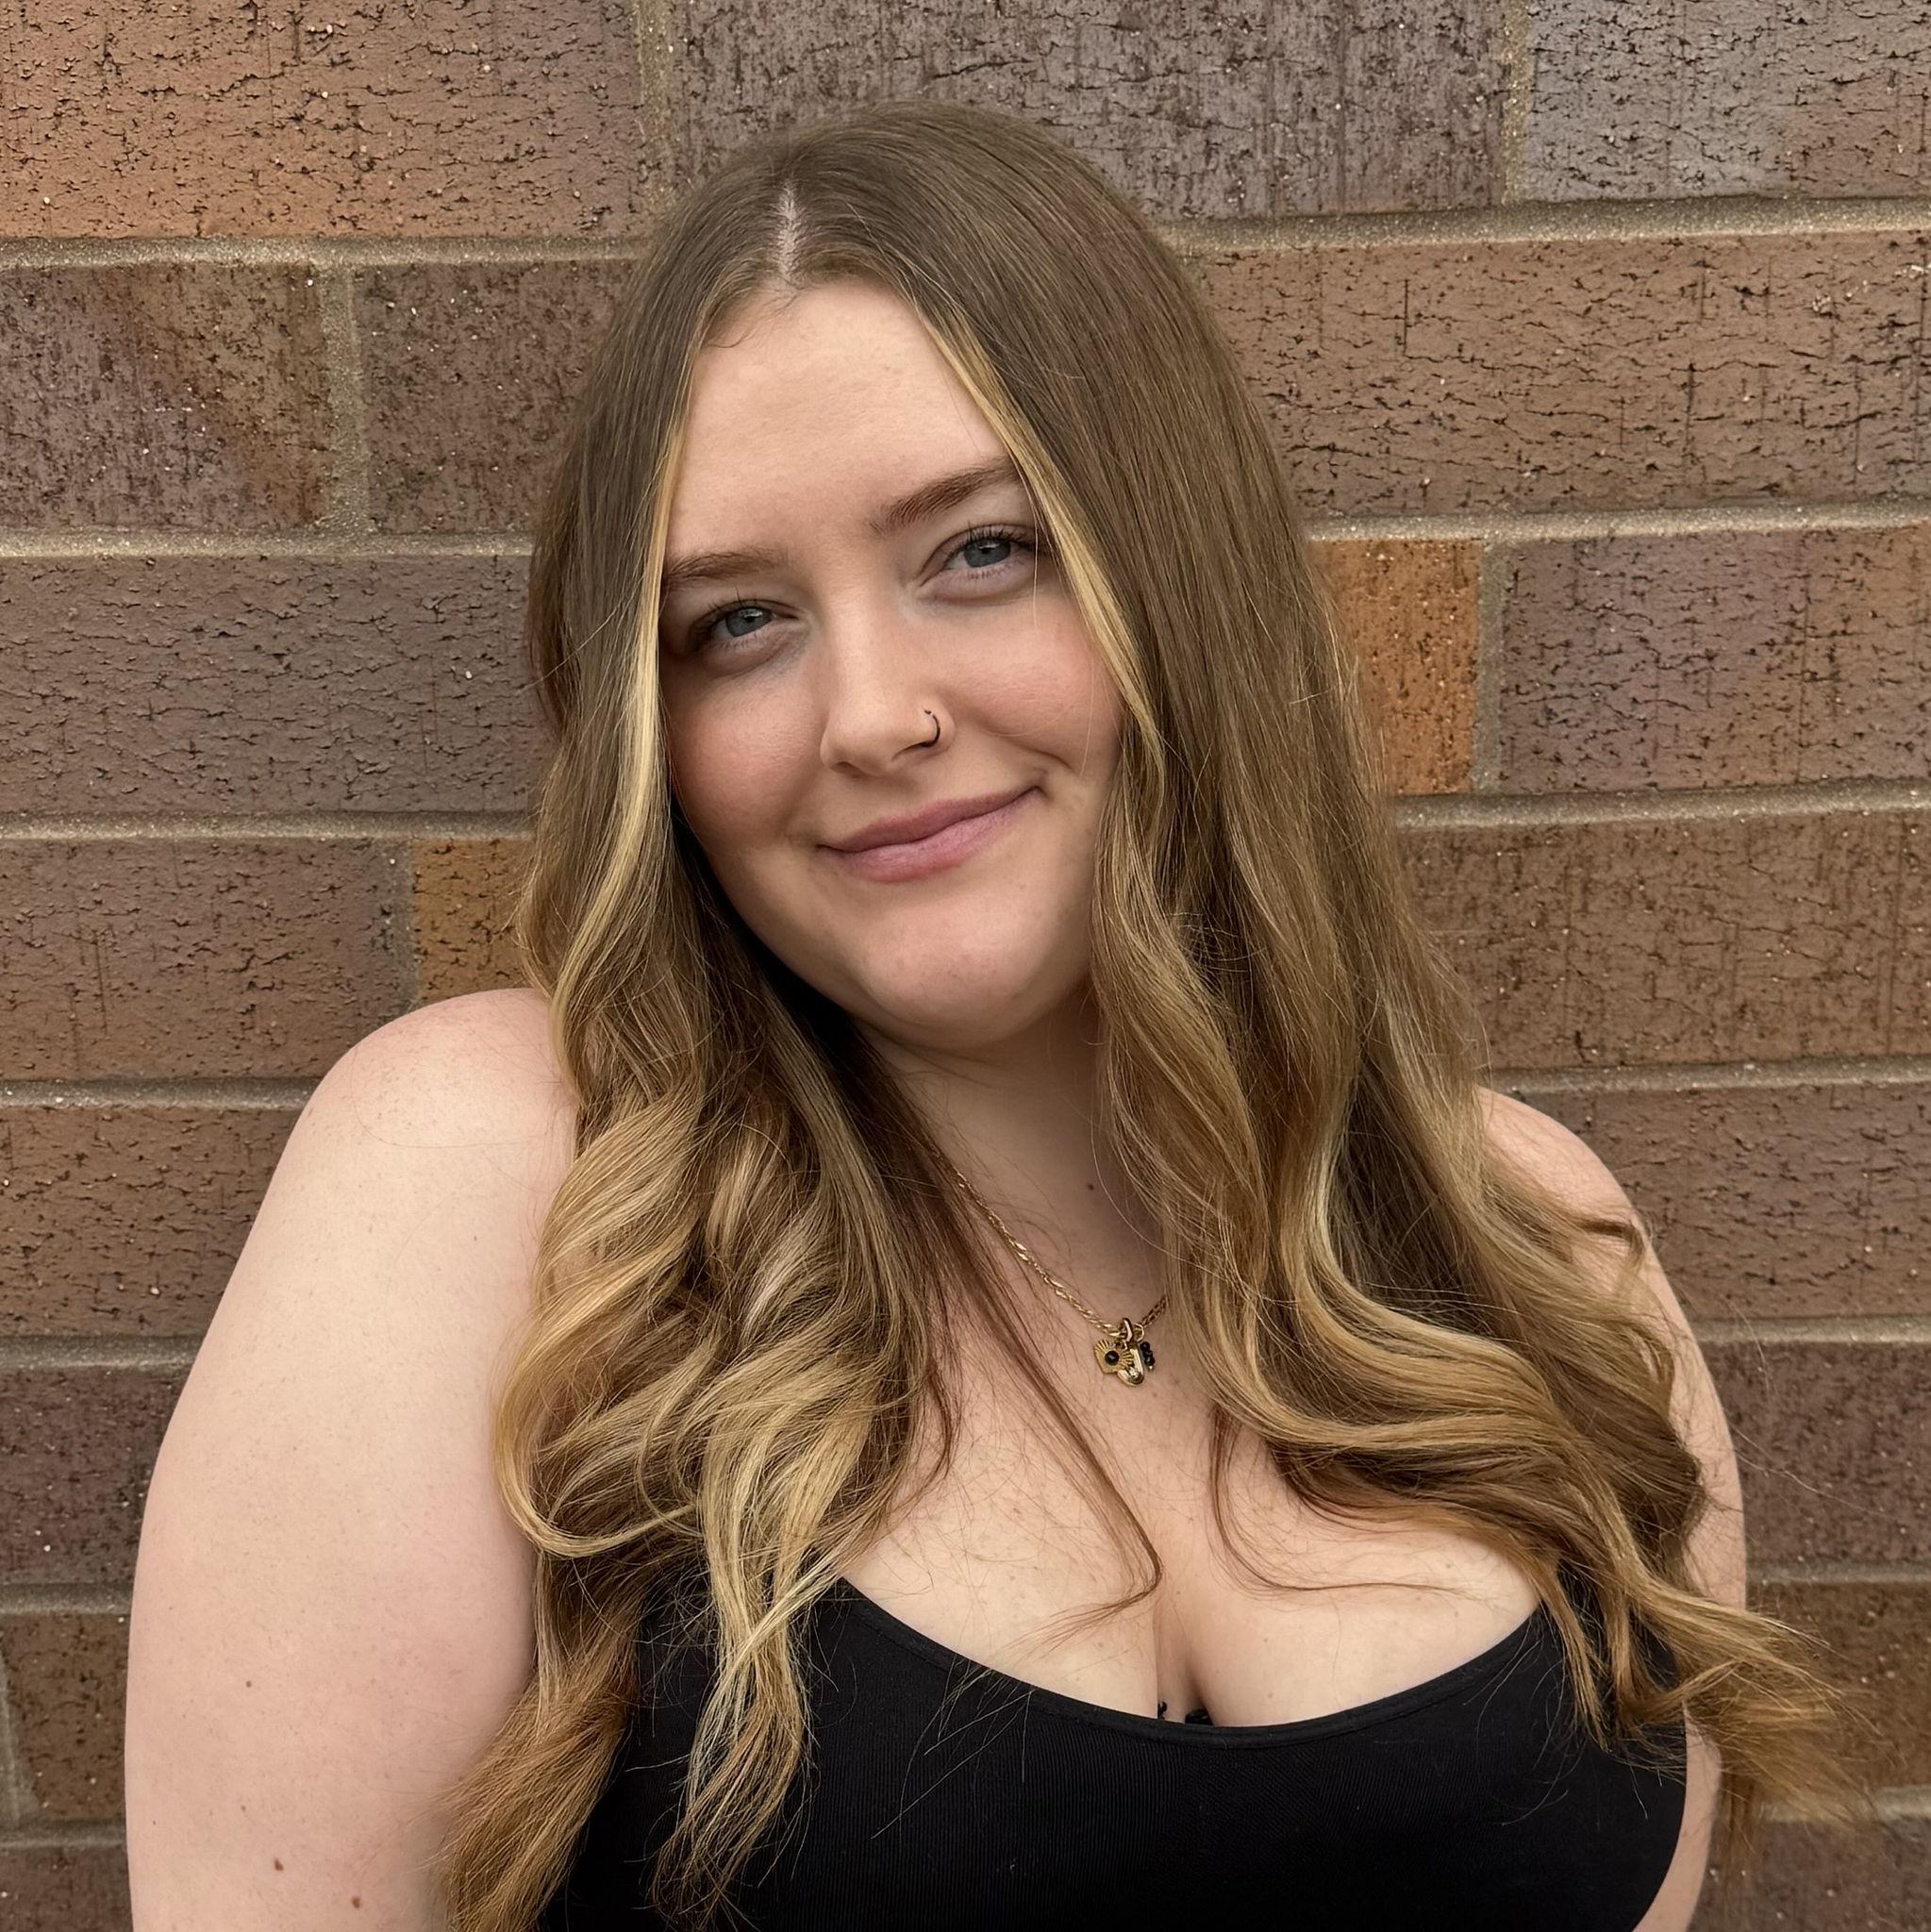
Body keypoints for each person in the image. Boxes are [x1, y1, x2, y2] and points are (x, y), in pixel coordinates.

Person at [125, 98, 1876, 1932]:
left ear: (1177, 584)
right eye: (738, 623)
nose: (871, 716)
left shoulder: (1535, 1240)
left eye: (978, 551)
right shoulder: (493, 1181)